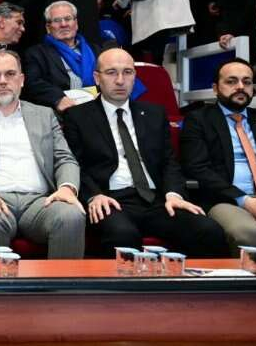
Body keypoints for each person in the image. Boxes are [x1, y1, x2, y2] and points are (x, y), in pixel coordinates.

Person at [63, 48, 227, 258]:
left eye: (127, 72)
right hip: (109, 199)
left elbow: (169, 161)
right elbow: (75, 164)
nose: (120, 80)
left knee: (208, 230)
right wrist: (93, 195)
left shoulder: (154, 113)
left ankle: (192, 281)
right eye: (111, 72)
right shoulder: (78, 116)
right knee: (123, 235)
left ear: (135, 77)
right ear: (97, 78)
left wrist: (174, 193)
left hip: (156, 200)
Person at [0, 49, 85, 257]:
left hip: (40, 202)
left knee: (71, 215)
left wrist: (67, 188)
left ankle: (63, 281)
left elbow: (65, 158)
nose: (3, 81)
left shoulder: (44, 114)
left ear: (21, 80)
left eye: (10, 74)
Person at [181, 59, 256, 254]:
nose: (240, 87)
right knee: (248, 233)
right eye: (231, 81)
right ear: (215, 88)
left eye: (247, 82)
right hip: (227, 200)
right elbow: (198, 168)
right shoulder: (198, 120)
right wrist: (245, 200)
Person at [23, 1, 101, 112]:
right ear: (48, 27)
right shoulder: (36, 54)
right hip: (61, 113)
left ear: (76, 23)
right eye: (57, 20)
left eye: (68, 19)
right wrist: (58, 99)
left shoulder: (96, 50)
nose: (63, 24)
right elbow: (33, 83)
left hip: (97, 108)